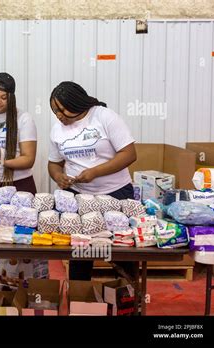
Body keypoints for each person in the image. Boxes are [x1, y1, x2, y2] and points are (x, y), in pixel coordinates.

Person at [47, 81, 137, 281]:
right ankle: (80, 299)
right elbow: (53, 164)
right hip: (79, 198)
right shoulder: (57, 130)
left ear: (76, 103)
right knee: (80, 252)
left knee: (121, 250)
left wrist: (95, 172)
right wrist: (59, 177)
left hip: (115, 194)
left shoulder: (104, 117)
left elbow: (129, 154)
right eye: (55, 111)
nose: (59, 115)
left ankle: (129, 298)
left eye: (62, 109)